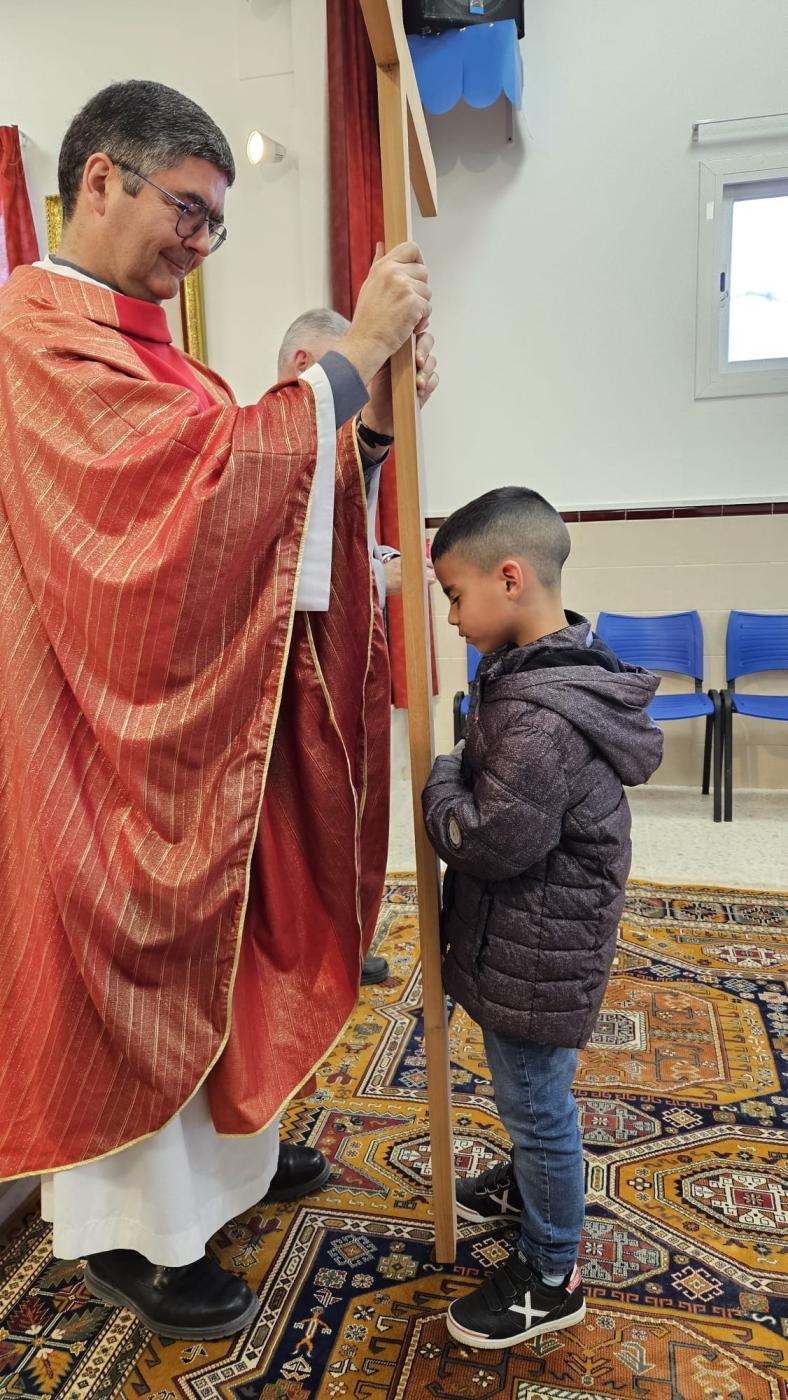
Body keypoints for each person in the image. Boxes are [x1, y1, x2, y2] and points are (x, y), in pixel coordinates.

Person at [0, 78, 437, 1339]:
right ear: (100, 179)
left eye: (214, 223)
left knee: (222, 930)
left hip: (178, 722)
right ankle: (135, 1235)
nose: (199, 240)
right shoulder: (40, 333)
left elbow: (242, 481)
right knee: (129, 960)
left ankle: (230, 1163)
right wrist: (347, 360)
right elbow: (171, 514)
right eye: (188, 209)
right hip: (99, 737)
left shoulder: (144, 337)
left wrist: (357, 429)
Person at [422, 486, 663, 1351]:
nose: (450, 616)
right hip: (536, 932)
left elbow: (487, 839)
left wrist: (443, 780)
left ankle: (552, 1269)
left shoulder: (538, 716)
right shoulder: (544, 671)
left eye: (454, 594)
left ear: (511, 578)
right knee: (532, 1092)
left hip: (539, 944)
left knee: (535, 1104)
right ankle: (532, 1187)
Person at [275, 306, 438, 992]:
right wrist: (377, 573)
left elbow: (344, 532)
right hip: (284, 679)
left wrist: (379, 561)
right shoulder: (276, 441)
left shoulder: (335, 440)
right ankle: (300, 956)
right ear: (305, 366)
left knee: (350, 806)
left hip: (342, 667)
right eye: (351, 367)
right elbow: (277, 568)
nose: (359, 384)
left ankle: (342, 939)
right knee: (296, 827)